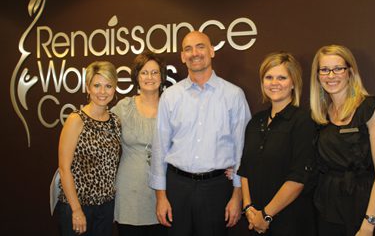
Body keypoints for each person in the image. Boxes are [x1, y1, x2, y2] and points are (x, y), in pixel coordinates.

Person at [149, 31, 251, 236]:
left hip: (217, 188)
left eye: (200, 46)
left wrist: (237, 195)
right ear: (182, 56)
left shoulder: (233, 95)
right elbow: (160, 147)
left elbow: (243, 150)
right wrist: (161, 197)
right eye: (188, 49)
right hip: (177, 187)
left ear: (212, 51)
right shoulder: (170, 96)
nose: (194, 53)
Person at [310, 45, 375, 236]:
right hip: (328, 208)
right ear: (318, 75)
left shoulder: (370, 108)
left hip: (365, 208)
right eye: (324, 70)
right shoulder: (320, 115)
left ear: (350, 72)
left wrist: (368, 225)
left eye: (338, 68)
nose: (331, 75)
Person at [238, 52, 317, 235]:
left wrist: (266, 215)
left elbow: (298, 178)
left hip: (290, 219)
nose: (274, 83)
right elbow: (245, 169)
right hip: (254, 219)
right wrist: (248, 207)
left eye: (282, 77)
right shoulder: (256, 121)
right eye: (269, 77)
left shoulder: (303, 121)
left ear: (293, 83)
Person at [56, 61, 121, 236]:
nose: (102, 91)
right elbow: (64, 169)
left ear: (114, 89)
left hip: (105, 209)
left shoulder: (115, 121)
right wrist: (76, 210)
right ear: (88, 88)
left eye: (108, 86)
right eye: (97, 85)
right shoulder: (76, 120)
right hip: (77, 206)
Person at [111, 51, 167, 236]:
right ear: (136, 76)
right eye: (144, 72)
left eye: (154, 72)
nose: (149, 77)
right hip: (130, 193)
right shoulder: (123, 108)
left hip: (165, 193)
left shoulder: (172, 107)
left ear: (162, 76)